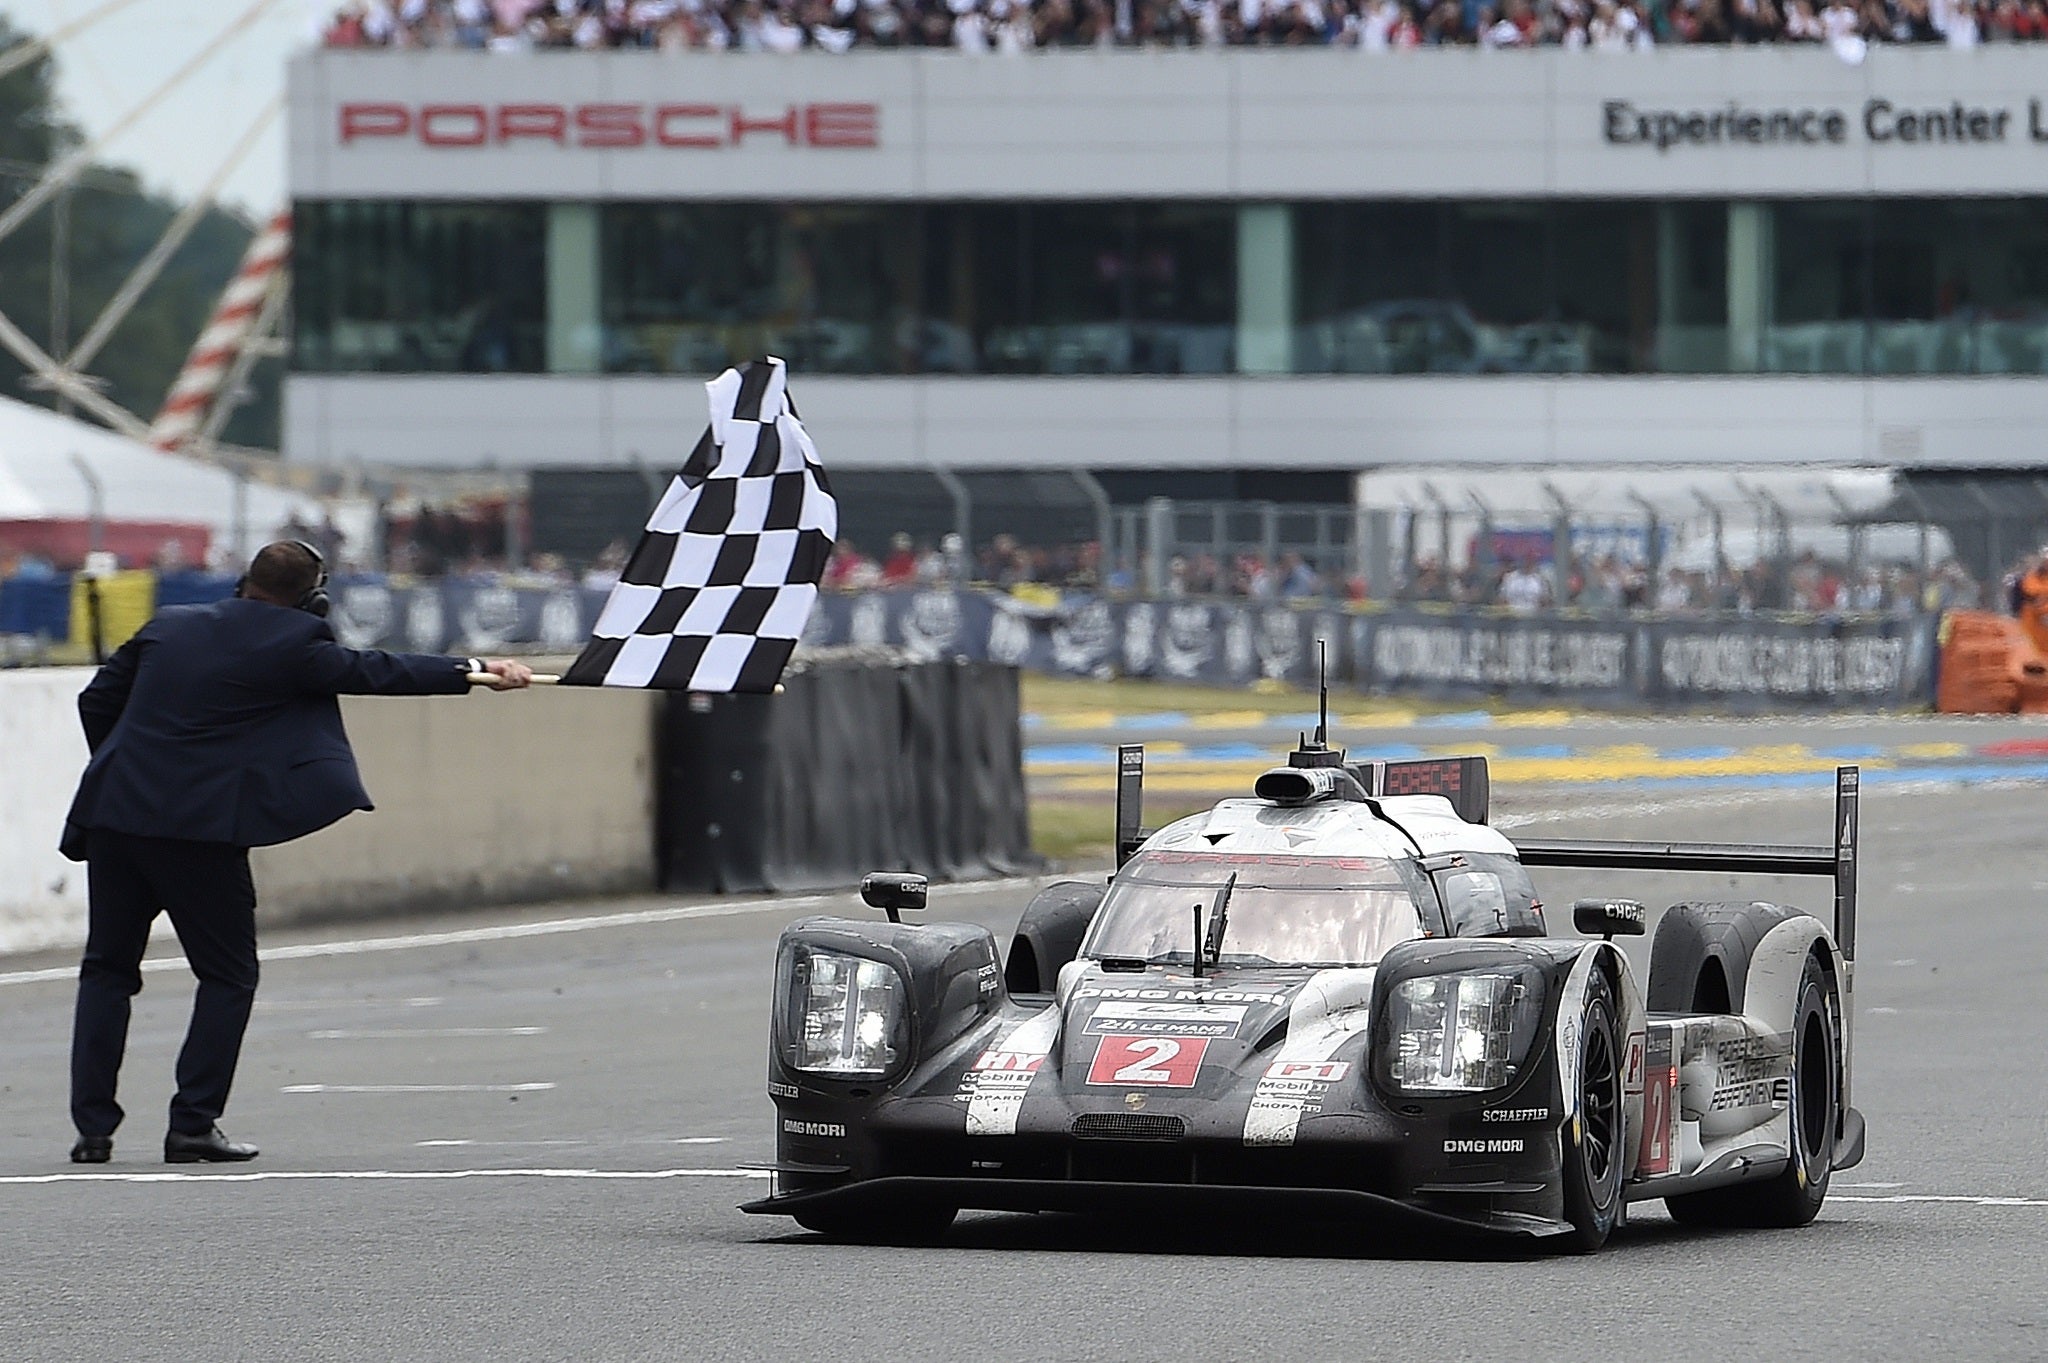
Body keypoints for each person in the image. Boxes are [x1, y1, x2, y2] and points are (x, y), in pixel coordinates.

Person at [59, 541, 534, 1166]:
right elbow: (380, 672)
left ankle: (93, 1132)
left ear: (242, 582)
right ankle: (191, 1124)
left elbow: (96, 701)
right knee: (228, 975)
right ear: (315, 600)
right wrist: (475, 671)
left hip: (116, 818)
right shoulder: (295, 647)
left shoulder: (169, 624)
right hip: (199, 833)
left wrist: (132, 768)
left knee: (108, 972)